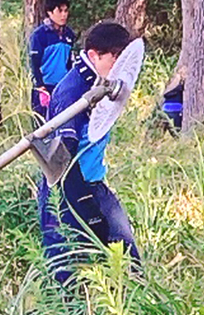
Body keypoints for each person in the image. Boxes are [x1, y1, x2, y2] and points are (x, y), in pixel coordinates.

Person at [42, 21, 140, 285]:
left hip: (94, 183)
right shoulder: (72, 91)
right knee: (65, 269)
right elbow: (62, 156)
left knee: (127, 253)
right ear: (95, 55)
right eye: (115, 57)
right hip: (65, 191)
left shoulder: (101, 82)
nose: (119, 65)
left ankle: (135, 314)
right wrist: (82, 201)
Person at [28, 0, 79, 264]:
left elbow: (70, 62)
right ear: (49, 12)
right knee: (42, 133)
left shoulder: (68, 35)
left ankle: (60, 167)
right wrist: (39, 86)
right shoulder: (40, 35)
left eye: (66, 11)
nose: (63, 15)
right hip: (44, 88)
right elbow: (35, 62)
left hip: (63, 87)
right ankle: (45, 172)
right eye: (59, 11)